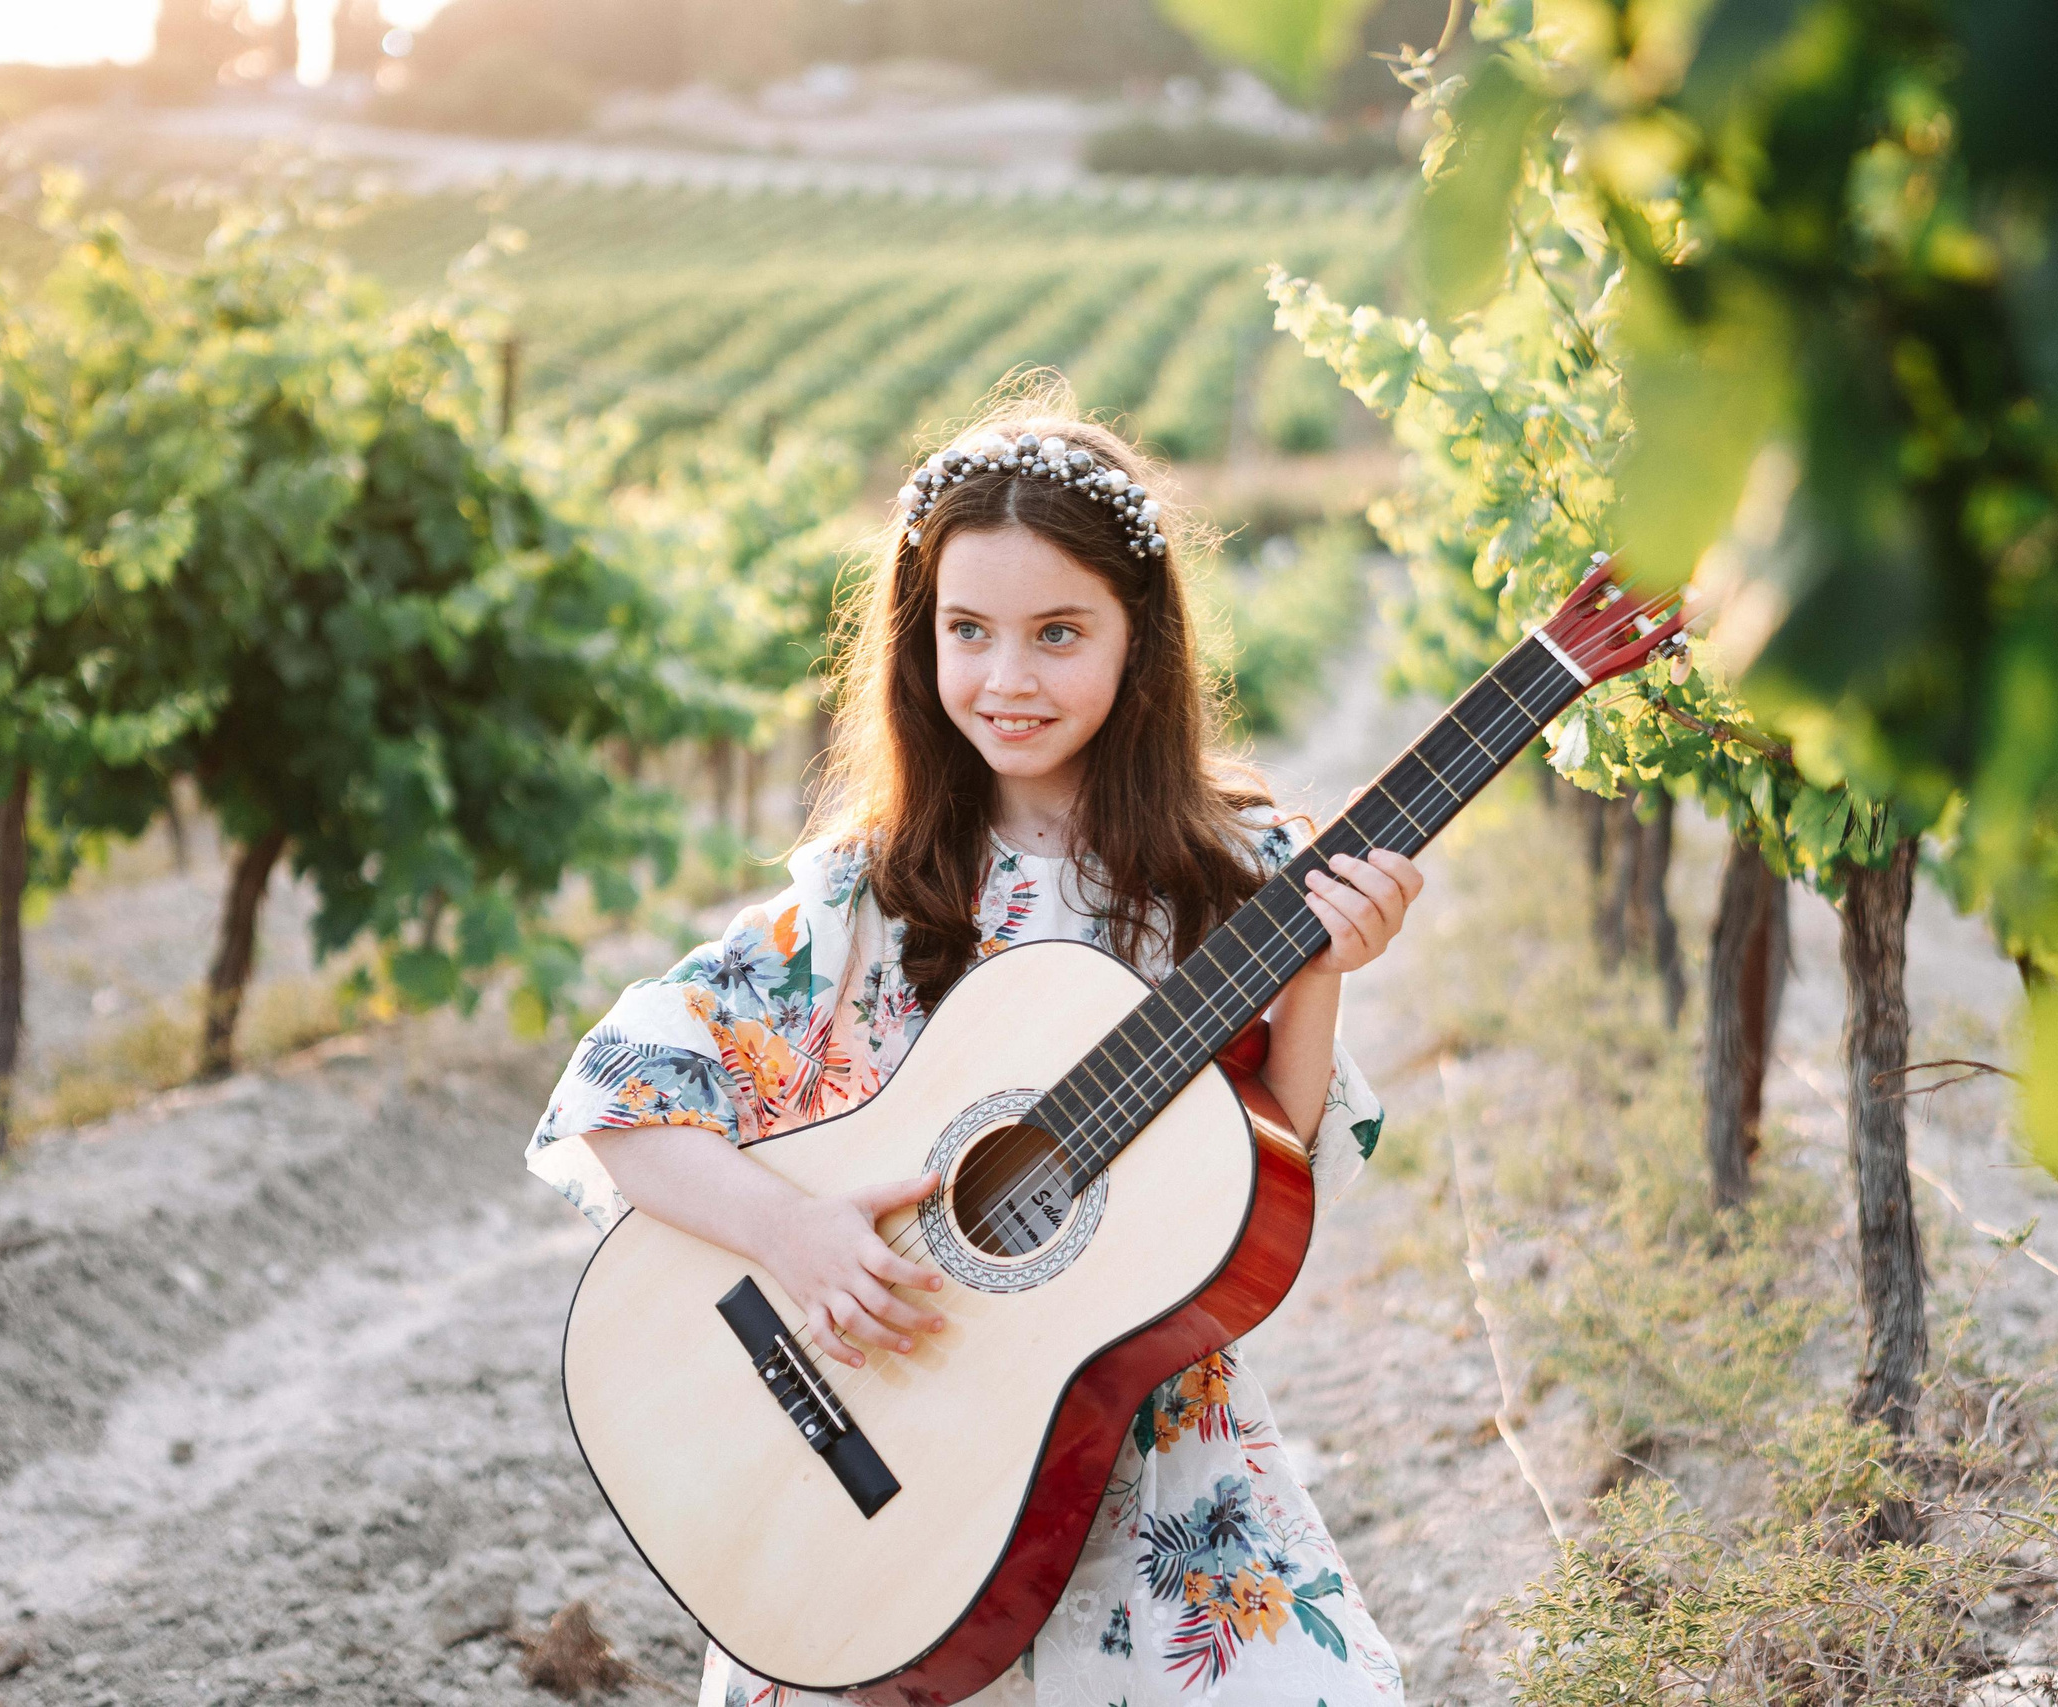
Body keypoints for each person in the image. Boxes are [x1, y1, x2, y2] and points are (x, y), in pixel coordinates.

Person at [525, 399, 1419, 1705]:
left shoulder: (1238, 882)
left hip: (1151, 1466)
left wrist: (1322, 983)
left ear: (1141, 642)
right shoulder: (863, 897)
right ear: (919, 642)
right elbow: (619, 1092)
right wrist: (791, 1232)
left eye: (1059, 633)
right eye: (969, 632)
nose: (1009, 678)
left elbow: (1271, 1194)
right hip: (892, 1468)